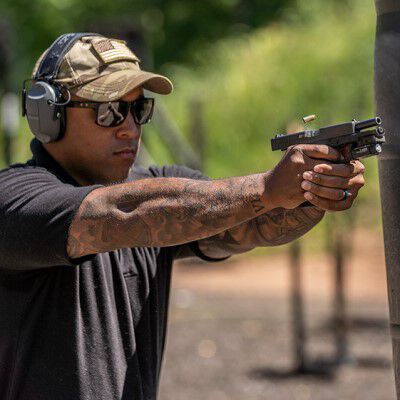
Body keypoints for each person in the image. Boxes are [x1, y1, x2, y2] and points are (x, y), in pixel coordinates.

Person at [0, 33, 365, 400]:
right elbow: (118, 213)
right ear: (49, 114)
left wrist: (310, 194)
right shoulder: (15, 198)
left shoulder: (157, 187)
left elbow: (249, 224)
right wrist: (267, 189)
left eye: (138, 109)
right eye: (108, 111)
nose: (130, 127)